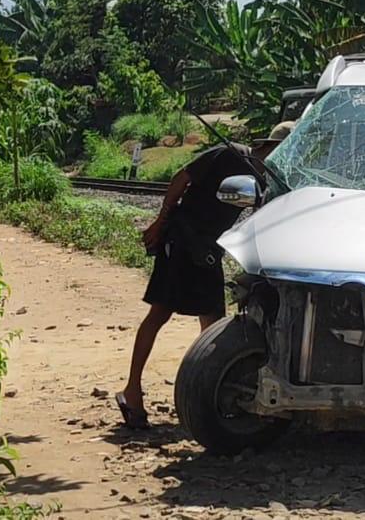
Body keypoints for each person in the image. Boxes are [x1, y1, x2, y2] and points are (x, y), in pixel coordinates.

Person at [116, 122, 294, 428]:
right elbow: (180, 179)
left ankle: (202, 396)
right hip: (183, 240)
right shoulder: (228, 155)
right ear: (271, 146)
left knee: (213, 325)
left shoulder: (262, 181)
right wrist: (160, 223)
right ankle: (132, 390)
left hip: (208, 251)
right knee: (159, 314)